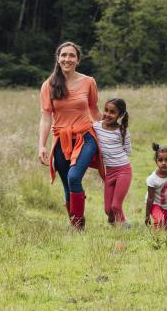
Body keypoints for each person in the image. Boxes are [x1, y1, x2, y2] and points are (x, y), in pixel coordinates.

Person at [38, 41, 104, 230]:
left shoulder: (88, 82)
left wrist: (109, 135)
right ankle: (77, 225)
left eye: (71, 55)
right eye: (63, 55)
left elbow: (94, 109)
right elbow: (45, 117)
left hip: (85, 137)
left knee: (74, 178)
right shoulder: (48, 85)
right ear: (58, 59)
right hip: (61, 140)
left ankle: (78, 223)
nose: (67, 59)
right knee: (67, 185)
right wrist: (42, 145)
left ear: (78, 60)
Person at [93, 98, 133, 227]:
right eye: (106, 110)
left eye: (112, 112)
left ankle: (125, 228)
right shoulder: (96, 126)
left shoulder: (123, 132)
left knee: (116, 206)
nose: (107, 114)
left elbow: (127, 151)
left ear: (120, 115)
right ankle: (116, 225)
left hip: (123, 170)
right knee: (108, 210)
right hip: (109, 172)